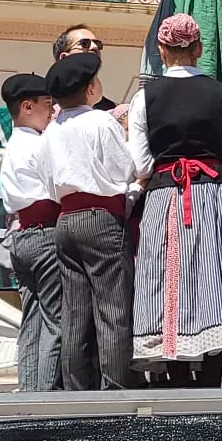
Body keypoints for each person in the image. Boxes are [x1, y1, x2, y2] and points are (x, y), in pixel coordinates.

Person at [126, 14, 222, 387]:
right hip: (213, 192)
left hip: (163, 194)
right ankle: (210, 375)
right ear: (199, 49)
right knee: (211, 276)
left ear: (161, 51)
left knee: (164, 277)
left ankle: (175, 377)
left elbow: (140, 163)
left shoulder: (143, 98)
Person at [43, 52, 136, 390]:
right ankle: (115, 390)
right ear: (90, 88)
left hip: (66, 218)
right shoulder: (101, 122)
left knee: (75, 313)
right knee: (113, 310)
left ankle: (76, 391)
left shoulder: (52, 130)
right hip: (101, 217)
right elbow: (125, 169)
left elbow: (48, 182)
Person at [0, 73, 63, 392]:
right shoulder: (39, 144)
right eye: (47, 104)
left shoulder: (12, 146)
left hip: (22, 236)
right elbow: (59, 186)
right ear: (27, 106)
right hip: (46, 231)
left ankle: (28, 388)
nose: (51, 111)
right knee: (55, 320)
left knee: (32, 319)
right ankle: (45, 395)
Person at [52, 23, 119, 112]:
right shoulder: (45, 108)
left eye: (97, 44)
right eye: (84, 43)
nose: (94, 47)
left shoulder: (110, 110)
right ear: (64, 58)